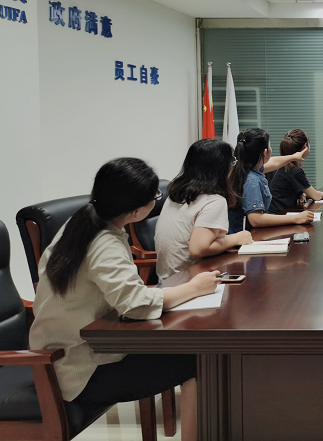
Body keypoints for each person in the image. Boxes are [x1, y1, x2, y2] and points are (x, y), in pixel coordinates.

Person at [29, 158, 223, 441]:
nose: (157, 201)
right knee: (199, 361)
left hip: (80, 347)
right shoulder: (103, 242)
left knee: (193, 352)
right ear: (135, 210)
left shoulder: (84, 220)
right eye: (155, 196)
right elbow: (136, 304)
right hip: (79, 367)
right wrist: (194, 288)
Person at [155, 139, 254, 281]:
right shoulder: (214, 200)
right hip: (188, 281)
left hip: (167, 281)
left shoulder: (177, 193)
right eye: (232, 162)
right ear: (222, 168)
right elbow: (198, 249)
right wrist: (236, 238)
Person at [227, 127, 314, 234]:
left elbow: (274, 162)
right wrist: (296, 218)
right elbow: (256, 219)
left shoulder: (246, 168)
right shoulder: (252, 180)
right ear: (265, 152)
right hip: (246, 237)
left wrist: (293, 157)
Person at [267, 129, 323, 213]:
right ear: (305, 146)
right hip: (280, 214)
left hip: (276, 212)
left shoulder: (284, 166)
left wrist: (303, 194)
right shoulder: (294, 170)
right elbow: (316, 196)